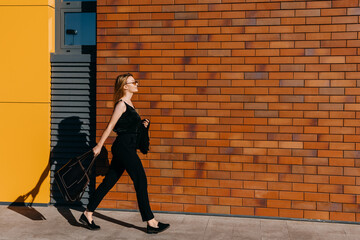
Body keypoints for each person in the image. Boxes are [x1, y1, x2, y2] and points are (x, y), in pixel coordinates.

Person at [79, 73, 170, 234]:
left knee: (109, 182)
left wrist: (142, 125)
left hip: (126, 147)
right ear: (125, 86)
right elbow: (110, 126)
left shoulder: (130, 103)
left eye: (136, 81)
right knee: (140, 179)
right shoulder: (121, 104)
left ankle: (87, 213)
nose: (137, 84)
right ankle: (151, 222)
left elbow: (128, 127)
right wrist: (99, 146)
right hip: (123, 148)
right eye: (133, 82)